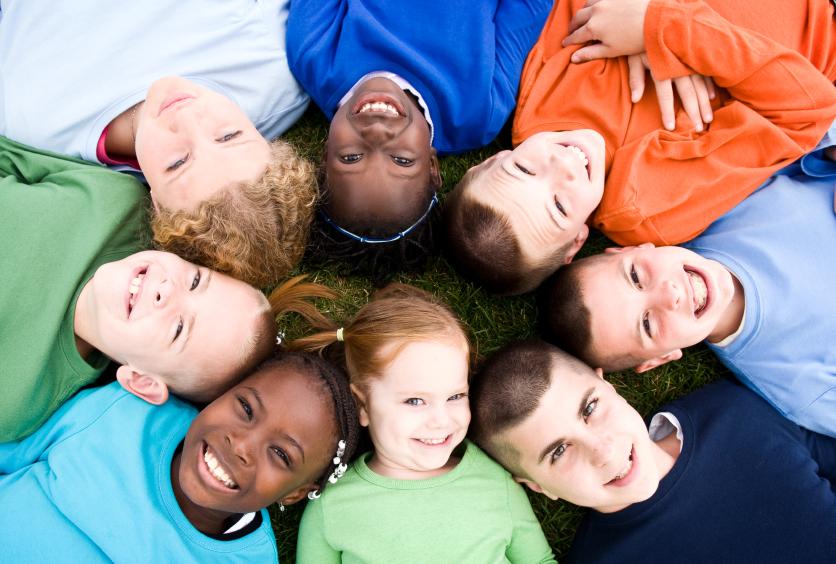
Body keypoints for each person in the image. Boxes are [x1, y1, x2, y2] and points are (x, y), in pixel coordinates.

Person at [443, 0, 836, 295]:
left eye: (523, 170)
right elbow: (806, 110)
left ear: (493, 160)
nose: (561, 165)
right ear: (577, 240)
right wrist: (661, 29)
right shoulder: (650, 207)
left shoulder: (538, 103)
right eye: (560, 206)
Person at [0, 131, 334, 445]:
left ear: (141, 380)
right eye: (196, 281)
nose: (167, 290)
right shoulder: (119, 204)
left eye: (179, 328)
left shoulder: (15, 399)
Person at [0, 0, 315, 287]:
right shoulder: (275, 65)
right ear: (266, 140)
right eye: (229, 136)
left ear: (156, 203)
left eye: (178, 162)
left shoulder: (33, 130)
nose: (187, 118)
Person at [537, 125, 836, 436]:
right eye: (647, 324)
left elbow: (801, 130)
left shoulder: (717, 200)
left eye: (636, 276)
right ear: (660, 358)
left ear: (634, 248)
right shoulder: (796, 384)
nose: (669, 294)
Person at [469, 340, 836, 564]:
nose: (604, 451)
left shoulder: (735, 409)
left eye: (590, 408)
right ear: (537, 487)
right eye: (560, 451)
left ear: (606, 383)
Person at [0, 353, 361, 563]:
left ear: (294, 494)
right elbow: (6, 452)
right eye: (245, 408)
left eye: (280, 454)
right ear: (221, 392)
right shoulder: (129, 410)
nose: (242, 445)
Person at [285, 0, 552, 284]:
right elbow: (527, 11)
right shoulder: (478, 114)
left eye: (351, 157)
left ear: (326, 153)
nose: (377, 134)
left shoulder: (312, 56)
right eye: (402, 160)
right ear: (433, 165)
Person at [288, 284, 556, 563]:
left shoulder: (496, 483)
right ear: (363, 406)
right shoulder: (332, 506)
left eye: (455, 396)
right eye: (415, 401)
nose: (442, 420)